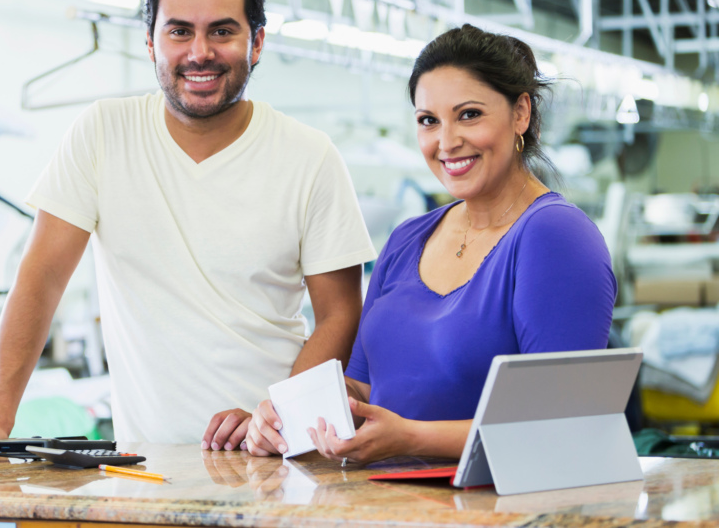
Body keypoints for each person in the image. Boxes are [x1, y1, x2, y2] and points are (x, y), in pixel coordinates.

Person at [0, 0, 376, 455]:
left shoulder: (310, 156)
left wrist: (279, 416)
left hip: (278, 459)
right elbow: (42, 279)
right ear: (151, 43)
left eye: (222, 31)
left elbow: (340, 315)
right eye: (179, 31)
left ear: (256, 42)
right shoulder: (104, 132)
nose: (200, 52)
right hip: (145, 467)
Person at [245, 24, 616, 462]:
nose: (446, 141)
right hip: (387, 503)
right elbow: (362, 385)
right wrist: (285, 414)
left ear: (521, 113)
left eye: (469, 114)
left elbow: (562, 424)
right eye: (428, 121)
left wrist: (412, 437)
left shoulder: (554, 236)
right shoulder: (407, 239)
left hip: (493, 511)